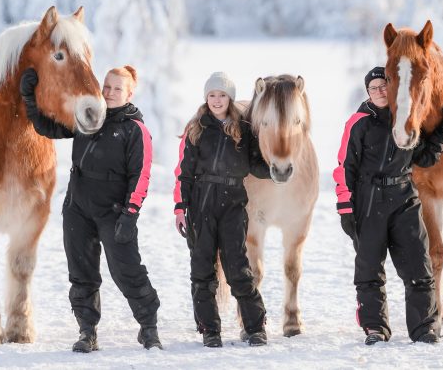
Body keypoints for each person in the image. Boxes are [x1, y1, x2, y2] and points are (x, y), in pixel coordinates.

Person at [19, 64, 161, 352]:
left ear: (130, 93)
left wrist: (130, 215)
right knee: (81, 272)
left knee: (126, 271)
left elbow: (141, 176)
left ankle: (149, 327)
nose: (109, 93)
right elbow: (48, 127)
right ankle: (87, 331)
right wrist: (30, 99)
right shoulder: (88, 116)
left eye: (117, 88)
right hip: (78, 207)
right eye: (106, 86)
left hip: (115, 211)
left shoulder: (136, 130)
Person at [333, 66, 443, 345]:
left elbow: (423, 158)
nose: (379, 92)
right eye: (373, 88)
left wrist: (442, 132)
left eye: (383, 86)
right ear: (368, 92)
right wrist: (345, 208)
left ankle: (424, 328)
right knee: (369, 271)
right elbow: (343, 167)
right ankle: (375, 328)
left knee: (418, 266)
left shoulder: (408, 119)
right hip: (368, 200)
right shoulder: (358, 122)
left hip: (404, 198)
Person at [173, 72, 272, 348]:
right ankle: (209, 329)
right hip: (201, 202)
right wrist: (181, 207)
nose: (216, 100)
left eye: (222, 95)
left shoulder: (243, 129)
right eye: (212, 95)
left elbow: (254, 164)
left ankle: (255, 326)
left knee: (237, 267)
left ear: (229, 98)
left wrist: (274, 172)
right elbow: (185, 173)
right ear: (206, 98)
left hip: (232, 202)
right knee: (202, 269)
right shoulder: (197, 128)